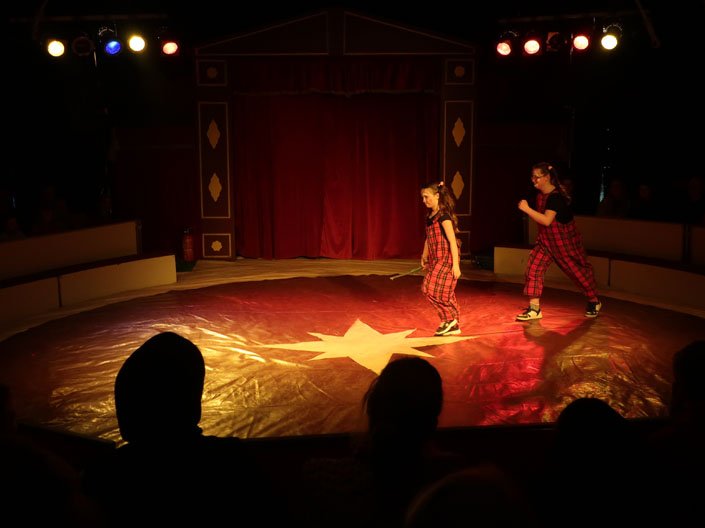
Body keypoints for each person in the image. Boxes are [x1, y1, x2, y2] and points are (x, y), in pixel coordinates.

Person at [516, 162, 601, 321]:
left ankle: (593, 300)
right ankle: (534, 309)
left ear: (547, 177)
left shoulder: (555, 198)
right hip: (546, 242)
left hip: (564, 244)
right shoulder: (540, 196)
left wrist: (527, 209)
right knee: (533, 268)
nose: (533, 180)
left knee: (578, 274)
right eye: (532, 176)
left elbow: (547, 220)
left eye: (536, 177)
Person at [420, 181, 462, 336]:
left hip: (446, 260)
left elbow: (452, 241)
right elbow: (428, 238)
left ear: (437, 196)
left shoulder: (444, 217)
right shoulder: (430, 217)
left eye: (426, 197)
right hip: (435, 259)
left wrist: (456, 265)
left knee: (432, 289)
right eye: (423, 197)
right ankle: (451, 321)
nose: (424, 200)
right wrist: (424, 255)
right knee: (433, 290)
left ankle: (450, 319)